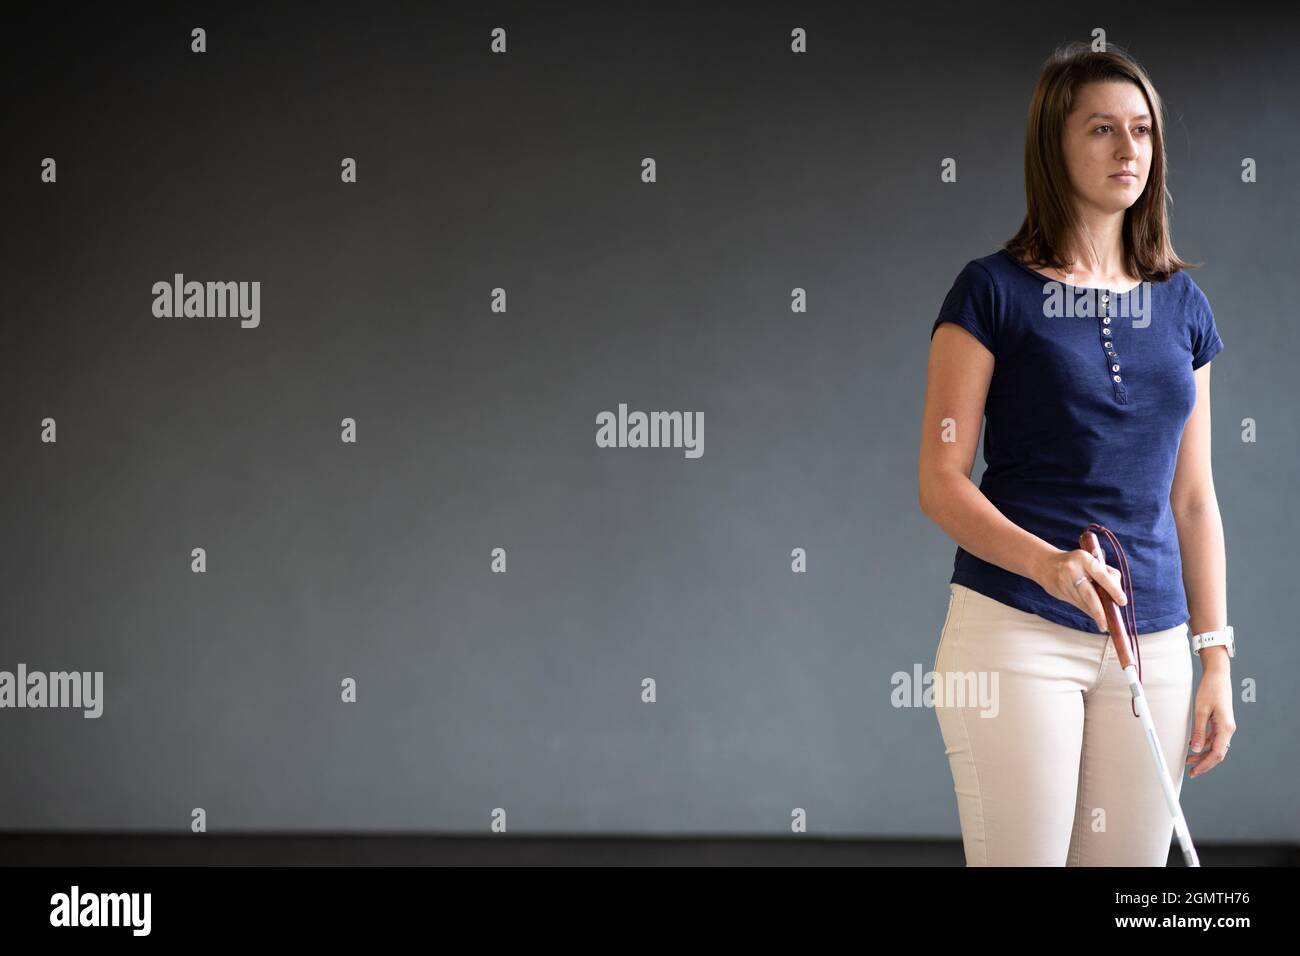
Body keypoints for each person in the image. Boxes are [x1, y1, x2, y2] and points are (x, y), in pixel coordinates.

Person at [917, 41, 1237, 866]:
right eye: (1102, 129)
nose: (1129, 150)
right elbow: (941, 481)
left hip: (1156, 643)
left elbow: (1194, 496)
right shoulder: (991, 291)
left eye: (1142, 130)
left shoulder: (1183, 304)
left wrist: (1214, 656)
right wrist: (1048, 565)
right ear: (1054, 147)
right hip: (1016, 632)